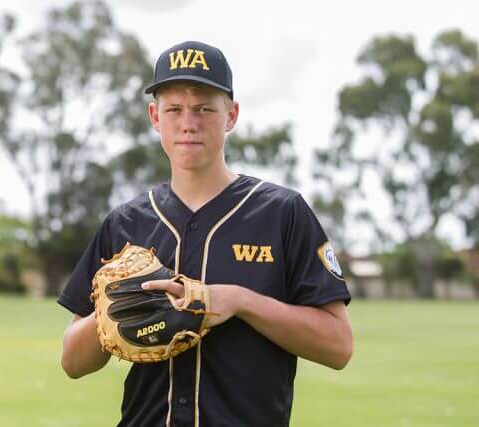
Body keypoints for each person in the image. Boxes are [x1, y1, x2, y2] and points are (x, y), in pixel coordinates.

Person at [59, 40, 353, 427]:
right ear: (154, 116)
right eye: (174, 109)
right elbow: (72, 362)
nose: (188, 123)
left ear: (231, 115)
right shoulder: (125, 223)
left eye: (204, 109)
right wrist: (112, 317)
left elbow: (338, 346)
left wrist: (240, 301)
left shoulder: (283, 213)